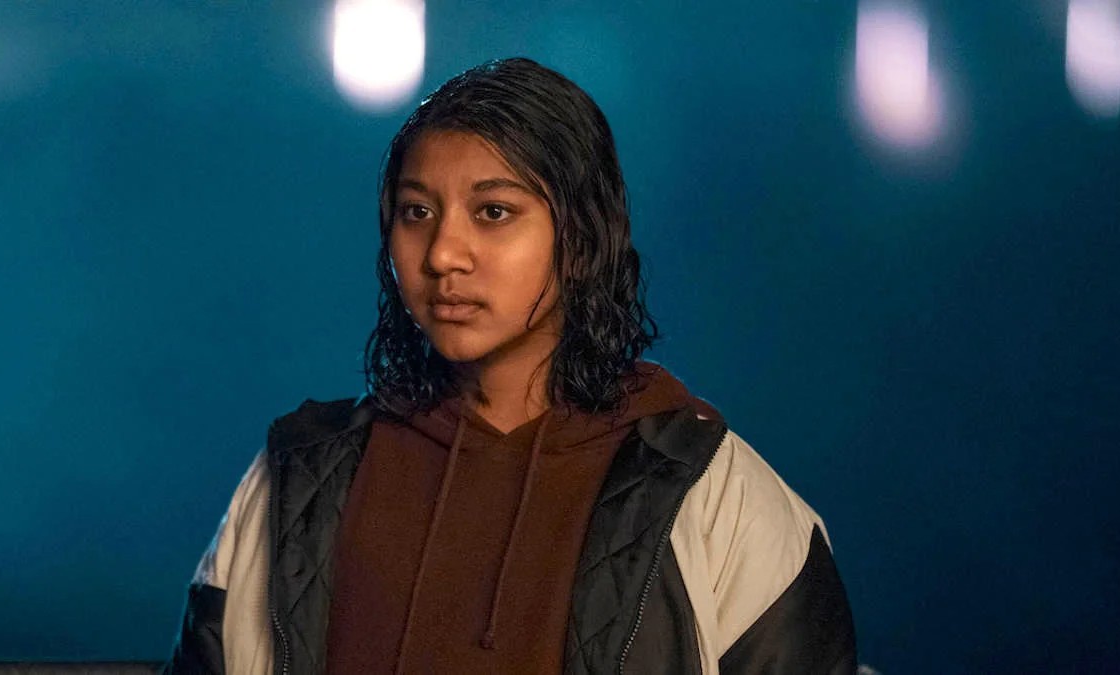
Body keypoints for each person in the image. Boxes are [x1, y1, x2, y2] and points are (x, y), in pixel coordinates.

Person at [164, 57, 857, 675]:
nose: (443, 254)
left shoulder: (712, 492)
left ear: (580, 240)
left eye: (493, 211)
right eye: (416, 211)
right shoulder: (301, 478)